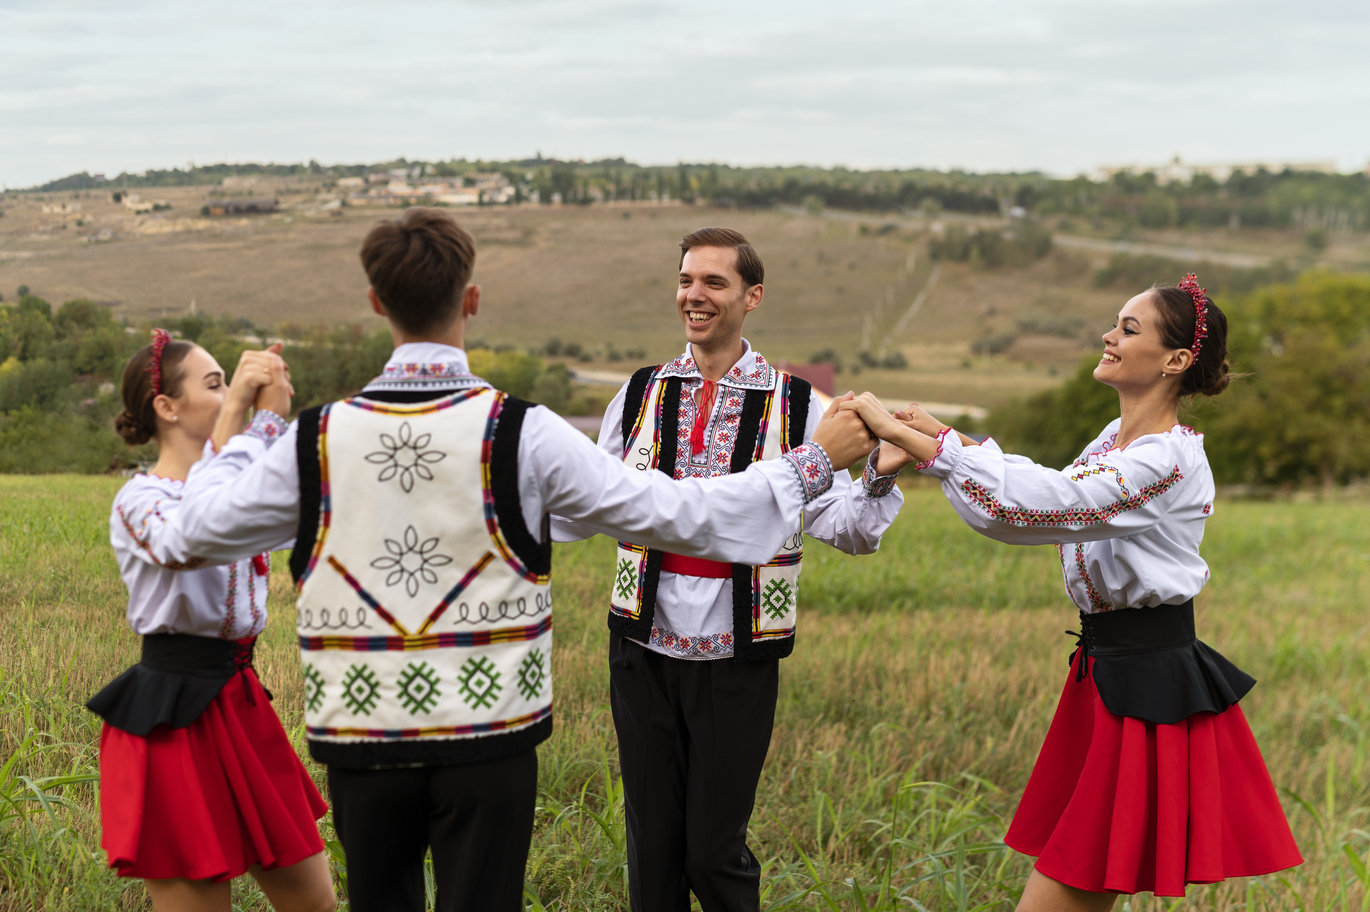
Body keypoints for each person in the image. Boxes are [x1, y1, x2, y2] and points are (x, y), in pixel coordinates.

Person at [170, 208, 877, 912]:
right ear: (471, 301)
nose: (693, 294)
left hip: (366, 731)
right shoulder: (528, 434)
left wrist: (247, 419)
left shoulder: (315, 438)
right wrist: (812, 465)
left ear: (376, 303)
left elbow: (193, 533)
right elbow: (679, 514)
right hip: (491, 735)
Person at [840, 275, 1302, 910]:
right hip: (1110, 676)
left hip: (1147, 686)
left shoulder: (1167, 459)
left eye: (1129, 328)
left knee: (1066, 889)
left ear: (1175, 361)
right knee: (1079, 884)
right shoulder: (1112, 444)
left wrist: (925, 445)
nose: (1109, 336)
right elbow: (1041, 489)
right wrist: (944, 438)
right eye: (1116, 323)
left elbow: (1053, 506)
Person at [551, 227, 905, 912]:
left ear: (753, 296)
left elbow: (849, 531)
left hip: (739, 652)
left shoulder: (800, 404)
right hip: (640, 641)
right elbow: (598, 500)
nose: (694, 295)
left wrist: (881, 480)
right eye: (686, 280)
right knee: (651, 849)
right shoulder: (638, 392)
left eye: (714, 282)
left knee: (714, 852)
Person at [87, 331, 335, 912]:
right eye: (216, 384)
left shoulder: (235, 489)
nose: (233, 397)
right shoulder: (140, 500)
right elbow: (193, 539)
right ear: (166, 408)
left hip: (241, 705)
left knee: (316, 904)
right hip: (170, 719)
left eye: (230, 383)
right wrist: (255, 427)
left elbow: (294, 510)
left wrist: (274, 424)